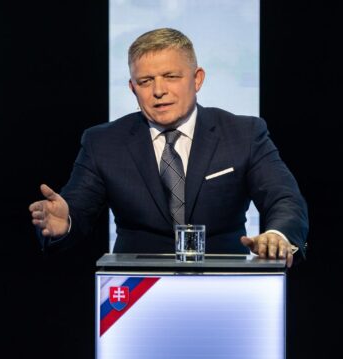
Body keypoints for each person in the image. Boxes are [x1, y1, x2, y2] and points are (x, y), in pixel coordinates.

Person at [29, 28, 308, 267]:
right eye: (145, 81)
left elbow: (284, 199)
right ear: (132, 88)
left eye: (170, 76)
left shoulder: (243, 133)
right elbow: (77, 209)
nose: (158, 90)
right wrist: (65, 224)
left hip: (226, 285)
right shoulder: (103, 142)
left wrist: (278, 235)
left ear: (197, 79)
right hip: (135, 293)